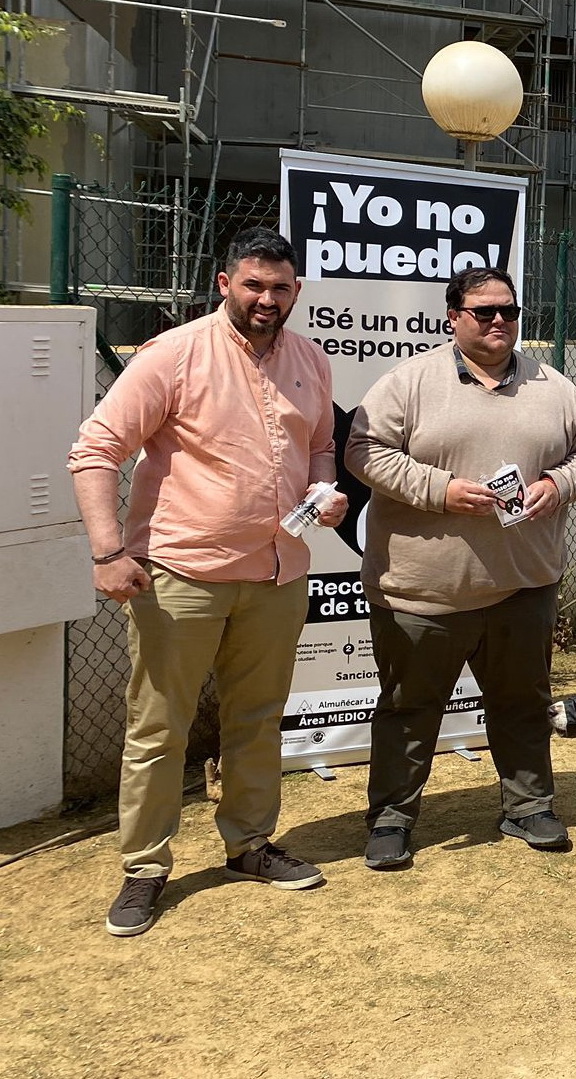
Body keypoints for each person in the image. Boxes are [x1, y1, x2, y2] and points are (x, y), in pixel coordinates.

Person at [68, 227, 349, 937]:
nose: (266, 298)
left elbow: (320, 445)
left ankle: (249, 845)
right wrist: (107, 552)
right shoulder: (173, 354)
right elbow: (96, 448)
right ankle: (144, 869)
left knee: (257, 718)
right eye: (253, 284)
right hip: (180, 573)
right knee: (160, 727)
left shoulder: (311, 360)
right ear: (225, 283)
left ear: (296, 292)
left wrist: (324, 490)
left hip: (278, 570)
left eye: (280, 287)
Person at [346, 266, 576, 871]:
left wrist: (558, 483)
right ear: (453, 318)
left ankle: (529, 806)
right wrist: (439, 490)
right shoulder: (409, 382)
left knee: (522, 701)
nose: (499, 321)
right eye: (484, 311)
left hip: (523, 587)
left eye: (509, 312)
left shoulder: (553, 384)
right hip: (423, 592)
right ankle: (391, 818)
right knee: (409, 710)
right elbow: (361, 451)